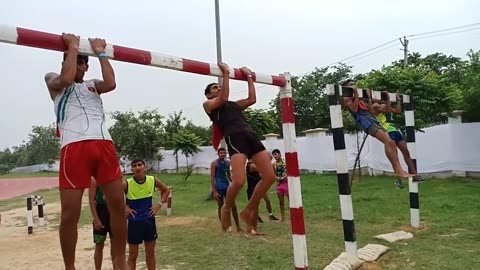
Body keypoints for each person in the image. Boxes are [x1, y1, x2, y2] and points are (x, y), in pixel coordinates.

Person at [44, 33, 128, 270]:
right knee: (70, 214)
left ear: (86, 65)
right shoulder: (54, 80)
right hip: (74, 146)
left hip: (102, 144)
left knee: (117, 205)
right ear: (66, 61)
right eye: (73, 60)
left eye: (82, 61)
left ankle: (119, 261)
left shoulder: (93, 85)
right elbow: (67, 79)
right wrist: (71, 47)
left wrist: (100, 52)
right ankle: (70, 266)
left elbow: (111, 83)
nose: (78, 65)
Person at [203, 62, 276, 234]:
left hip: (250, 135)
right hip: (235, 137)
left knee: (269, 176)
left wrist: (249, 76)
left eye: (220, 86)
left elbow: (252, 99)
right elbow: (221, 99)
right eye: (215, 87)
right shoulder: (209, 106)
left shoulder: (233, 105)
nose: (219, 88)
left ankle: (249, 209)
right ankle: (227, 208)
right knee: (239, 181)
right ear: (208, 95)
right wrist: (226, 74)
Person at [341, 80, 415, 179]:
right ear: (346, 88)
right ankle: (398, 171)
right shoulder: (347, 98)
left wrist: (366, 97)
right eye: (351, 85)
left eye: (354, 84)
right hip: (365, 120)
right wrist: (357, 94)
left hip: (371, 118)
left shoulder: (360, 98)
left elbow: (370, 109)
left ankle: (399, 170)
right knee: (388, 141)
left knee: (390, 142)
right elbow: (354, 109)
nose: (354, 85)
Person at [366, 90, 423, 187]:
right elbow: (387, 109)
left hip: (395, 130)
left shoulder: (383, 106)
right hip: (387, 131)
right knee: (395, 156)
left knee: (406, 152)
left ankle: (414, 175)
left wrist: (398, 101)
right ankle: (398, 179)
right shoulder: (375, 106)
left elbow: (398, 111)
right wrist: (388, 99)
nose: (378, 98)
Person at [124, 159, 170, 270]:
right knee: (133, 255)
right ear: (132, 169)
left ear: (145, 167)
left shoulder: (152, 180)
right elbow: (112, 196)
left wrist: (159, 205)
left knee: (150, 254)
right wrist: (124, 207)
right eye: (134, 166)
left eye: (140, 165)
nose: (137, 167)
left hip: (149, 221)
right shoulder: (127, 183)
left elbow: (166, 190)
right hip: (134, 222)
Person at [210, 147, 242, 232]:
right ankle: (224, 227)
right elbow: (212, 178)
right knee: (221, 206)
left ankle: (238, 227)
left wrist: (235, 185)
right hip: (219, 188)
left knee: (233, 206)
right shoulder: (214, 163)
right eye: (221, 153)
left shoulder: (228, 163)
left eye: (224, 153)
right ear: (218, 154)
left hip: (227, 187)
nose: (223, 154)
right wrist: (214, 191)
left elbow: (229, 175)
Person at [89, 178, 114, 270]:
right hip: (101, 213)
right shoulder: (95, 180)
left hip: (113, 212)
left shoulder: (115, 176)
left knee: (115, 245)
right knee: (99, 244)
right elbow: (91, 201)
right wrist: (96, 219)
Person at [246, 158, 279, 223]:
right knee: (255, 204)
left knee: (267, 200)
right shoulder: (251, 165)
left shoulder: (255, 164)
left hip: (260, 187)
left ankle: (270, 215)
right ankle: (256, 217)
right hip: (253, 188)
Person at [272, 149, 289, 222]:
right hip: (279, 184)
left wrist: (285, 177)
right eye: (274, 155)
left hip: (287, 183)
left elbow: (289, 171)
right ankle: (282, 217)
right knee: (281, 201)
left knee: (290, 200)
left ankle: (293, 215)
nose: (275, 156)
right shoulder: (273, 164)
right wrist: (277, 178)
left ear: (279, 154)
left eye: (276, 154)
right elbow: (272, 174)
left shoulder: (285, 162)